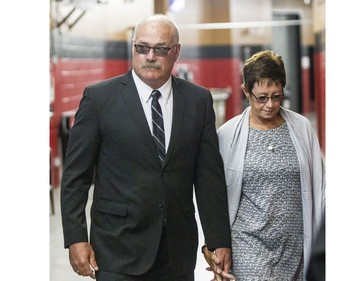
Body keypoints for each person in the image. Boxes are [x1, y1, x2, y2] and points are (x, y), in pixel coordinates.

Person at [60, 14, 233, 281]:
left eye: (160, 49)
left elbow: (209, 177)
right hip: (117, 248)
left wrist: (218, 239)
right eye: (142, 47)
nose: (150, 56)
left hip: (177, 252)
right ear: (133, 49)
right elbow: (75, 178)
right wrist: (75, 239)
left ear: (176, 52)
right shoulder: (99, 99)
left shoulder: (198, 101)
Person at [203, 50, 325, 281]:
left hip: (294, 246)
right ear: (246, 92)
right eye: (261, 97)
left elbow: (320, 185)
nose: (270, 104)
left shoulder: (301, 128)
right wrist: (213, 244)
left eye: (276, 96)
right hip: (248, 245)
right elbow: (213, 195)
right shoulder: (228, 135)